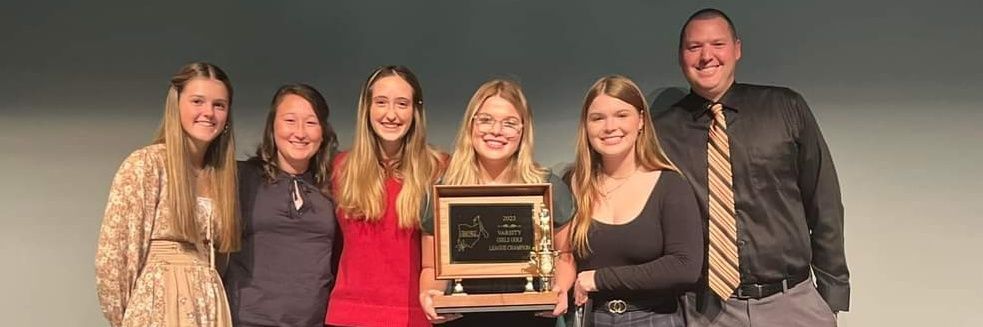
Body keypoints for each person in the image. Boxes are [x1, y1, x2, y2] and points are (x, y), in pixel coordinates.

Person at [653, 8, 850, 326]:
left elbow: (824, 203)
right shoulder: (660, 132)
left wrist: (831, 296)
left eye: (718, 44)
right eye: (694, 47)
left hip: (791, 303)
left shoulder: (786, 108)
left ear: (737, 49)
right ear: (681, 56)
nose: (706, 56)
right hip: (706, 311)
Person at [417, 79, 575, 327]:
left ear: (523, 130)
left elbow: (564, 255)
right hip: (462, 319)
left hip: (530, 319)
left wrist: (559, 288)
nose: (496, 131)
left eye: (509, 123)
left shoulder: (549, 188)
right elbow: (430, 266)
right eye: (486, 120)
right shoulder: (443, 192)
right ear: (471, 125)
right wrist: (430, 295)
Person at [95, 62, 239, 327]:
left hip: (209, 302)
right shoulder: (146, 165)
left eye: (219, 105)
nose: (208, 112)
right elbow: (113, 259)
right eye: (198, 101)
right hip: (159, 304)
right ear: (176, 105)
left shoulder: (220, 176)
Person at [565, 75, 701, 326]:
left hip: (655, 318)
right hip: (591, 319)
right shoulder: (572, 185)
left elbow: (685, 266)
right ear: (586, 126)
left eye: (621, 115)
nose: (609, 127)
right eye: (597, 118)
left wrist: (597, 279)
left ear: (640, 121)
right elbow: (559, 256)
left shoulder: (670, 185)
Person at [326, 65, 446, 327]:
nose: (391, 114)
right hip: (349, 316)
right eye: (381, 102)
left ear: (415, 111)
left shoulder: (440, 169)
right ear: (367, 108)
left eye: (402, 104)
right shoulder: (339, 168)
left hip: (416, 317)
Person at [223, 84, 340, 326]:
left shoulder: (334, 185)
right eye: (290, 120)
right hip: (247, 319)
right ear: (272, 126)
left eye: (311, 123)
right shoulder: (240, 177)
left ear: (323, 131)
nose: (300, 132)